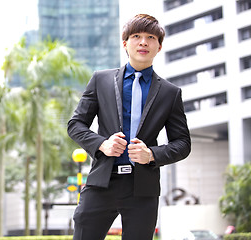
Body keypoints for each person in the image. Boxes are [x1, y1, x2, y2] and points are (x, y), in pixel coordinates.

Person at [67, 14, 191, 240]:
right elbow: (76, 124)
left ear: (159, 46)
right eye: (136, 36)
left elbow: (182, 144)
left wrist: (151, 154)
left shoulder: (170, 93)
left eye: (150, 37)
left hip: (143, 188)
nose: (143, 42)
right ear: (125, 43)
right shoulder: (100, 80)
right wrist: (102, 144)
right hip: (102, 181)